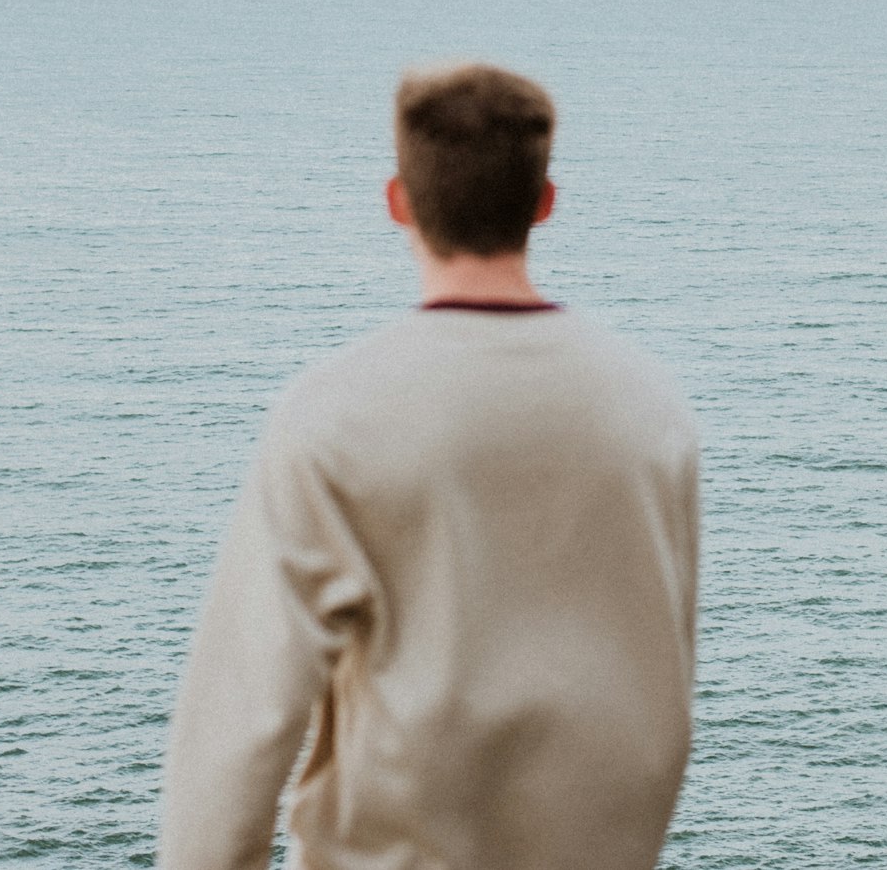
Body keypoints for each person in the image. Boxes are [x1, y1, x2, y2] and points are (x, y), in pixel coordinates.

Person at [159, 63, 699, 870]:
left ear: (398, 203)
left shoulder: (336, 414)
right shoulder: (652, 410)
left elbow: (242, 722)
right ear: (543, 203)